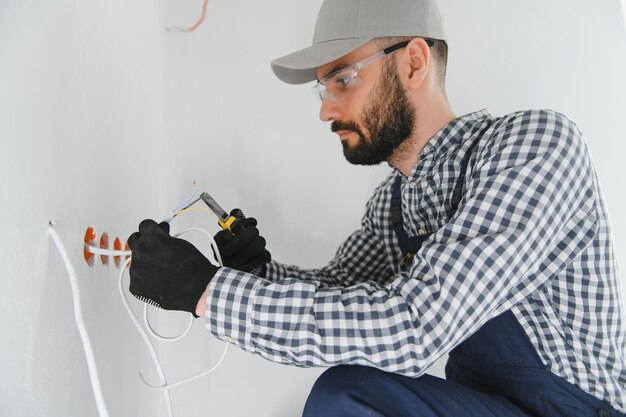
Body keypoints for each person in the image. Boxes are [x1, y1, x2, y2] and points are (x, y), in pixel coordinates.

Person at [127, 0, 626, 415]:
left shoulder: (533, 146)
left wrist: (207, 291)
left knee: (342, 398)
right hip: (487, 405)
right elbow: (345, 294)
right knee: (348, 397)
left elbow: (415, 324)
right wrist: (258, 272)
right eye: (323, 88)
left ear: (413, 62)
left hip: (577, 408)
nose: (325, 108)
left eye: (343, 78)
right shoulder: (395, 201)